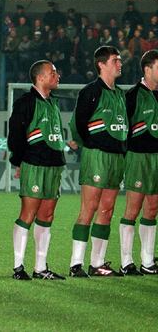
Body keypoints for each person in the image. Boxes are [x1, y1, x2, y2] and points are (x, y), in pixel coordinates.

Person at [8, 60, 72, 281]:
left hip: (54, 165)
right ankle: (18, 267)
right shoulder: (25, 102)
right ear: (41, 77)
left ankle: (41, 267)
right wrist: (18, 161)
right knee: (28, 214)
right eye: (53, 72)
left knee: (47, 216)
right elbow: (15, 134)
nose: (57, 76)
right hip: (34, 164)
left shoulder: (53, 103)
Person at [68, 45, 127, 277]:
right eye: (115, 60)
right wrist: (89, 146)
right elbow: (78, 124)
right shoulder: (91, 91)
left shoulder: (120, 94)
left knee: (107, 209)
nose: (119, 63)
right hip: (97, 157)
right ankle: (75, 264)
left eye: (119, 60)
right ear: (101, 64)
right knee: (89, 208)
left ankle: (97, 263)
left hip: (116, 159)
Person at [118, 50, 158, 275]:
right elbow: (124, 129)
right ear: (147, 69)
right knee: (132, 209)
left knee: (152, 208)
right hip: (137, 156)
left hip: (157, 158)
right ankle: (126, 261)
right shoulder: (132, 96)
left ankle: (148, 261)